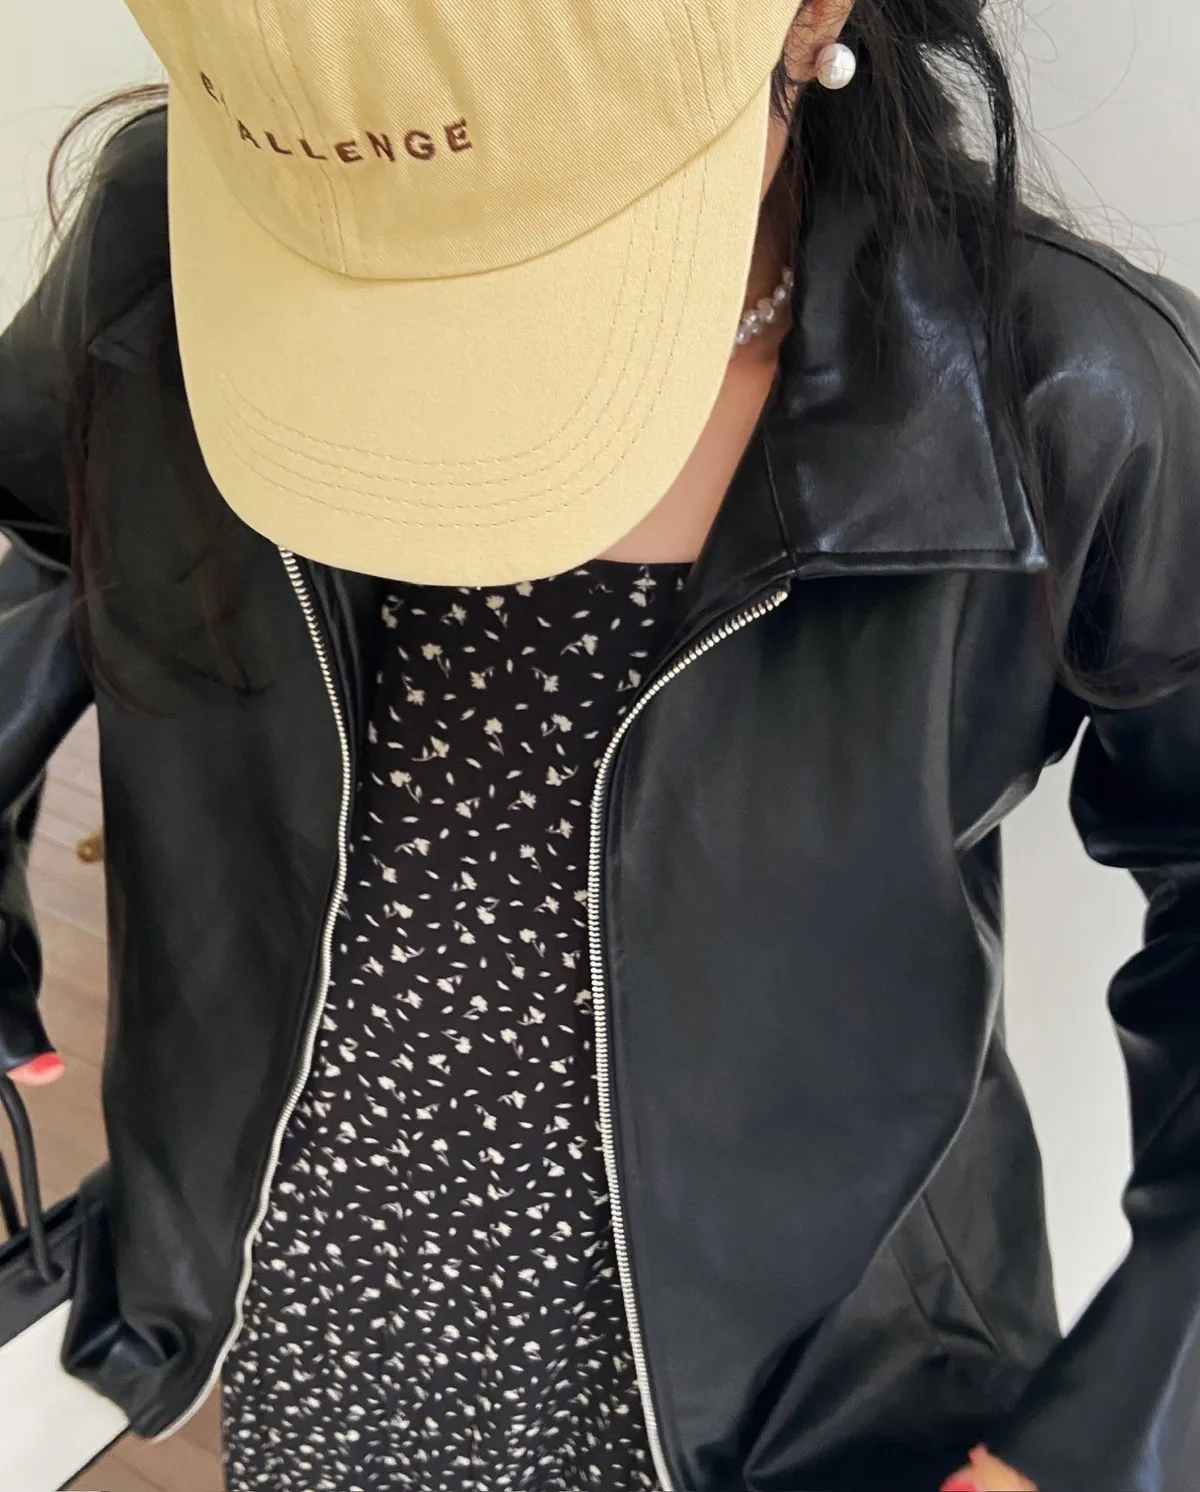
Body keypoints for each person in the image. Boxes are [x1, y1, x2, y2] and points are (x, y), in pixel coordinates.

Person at [1, 0, 1198, 1487]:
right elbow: (38, 528)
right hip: (309, 1282)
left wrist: (1124, 1420)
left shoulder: (1061, 385)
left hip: (802, 1397)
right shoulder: (166, 235)